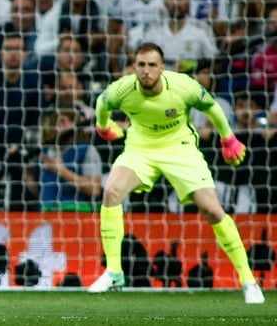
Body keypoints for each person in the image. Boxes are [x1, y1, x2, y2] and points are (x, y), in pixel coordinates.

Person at [87, 42, 265, 304]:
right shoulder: (122, 89)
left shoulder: (182, 85)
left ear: (162, 68)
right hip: (140, 148)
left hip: (180, 149)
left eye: (151, 65)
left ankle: (249, 280)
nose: (146, 71)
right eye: (141, 65)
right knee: (111, 191)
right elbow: (102, 103)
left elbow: (212, 107)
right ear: (134, 67)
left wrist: (229, 139)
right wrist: (104, 128)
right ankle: (114, 271)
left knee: (213, 210)